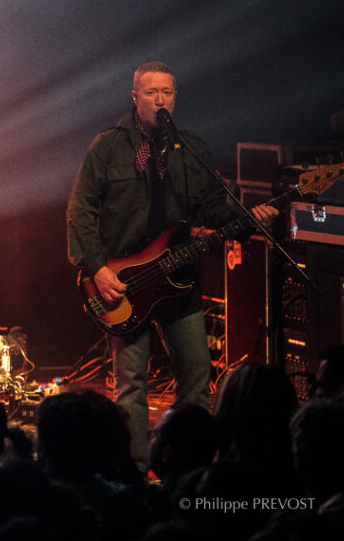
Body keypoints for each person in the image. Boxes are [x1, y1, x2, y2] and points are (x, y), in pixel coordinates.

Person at [66, 61, 278, 472]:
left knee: (197, 379)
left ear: (175, 98)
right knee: (132, 384)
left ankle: (186, 469)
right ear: (135, 97)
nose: (160, 100)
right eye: (151, 93)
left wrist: (249, 218)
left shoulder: (190, 148)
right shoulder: (108, 147)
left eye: (167, 93)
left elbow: (211, 207)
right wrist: (97, 269)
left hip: (179, 279)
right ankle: (134, 471)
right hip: (125, 283)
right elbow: (79, 212)